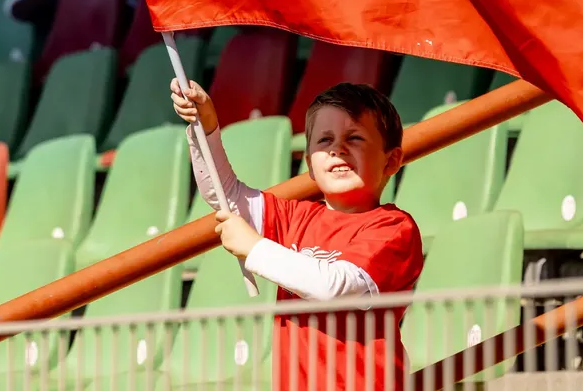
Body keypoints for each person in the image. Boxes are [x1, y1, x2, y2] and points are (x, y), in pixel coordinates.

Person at [170, 80, 423, 391]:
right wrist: (204, 128)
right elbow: (226, 194)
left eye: (354, 137)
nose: (337, 149)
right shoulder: (296, 216)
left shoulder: (394, 227)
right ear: (310, 166)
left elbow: (336, 288)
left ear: (392, 160)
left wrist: (255, 249)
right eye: (324, 140)